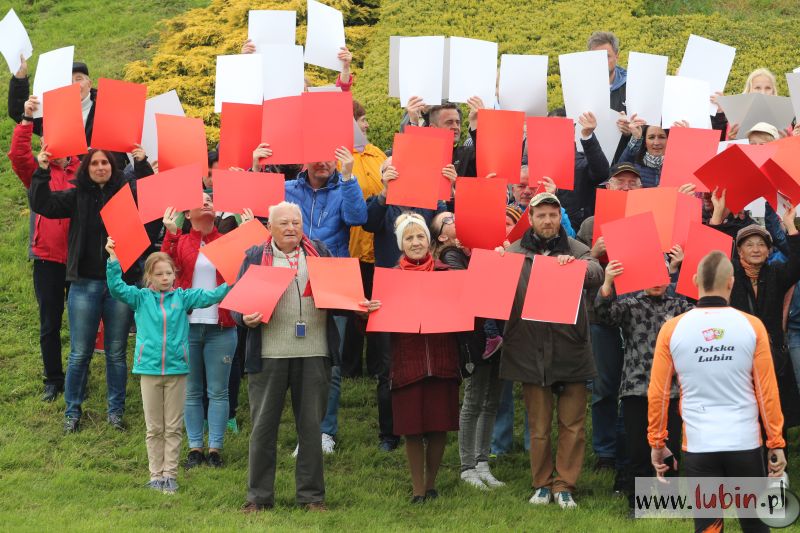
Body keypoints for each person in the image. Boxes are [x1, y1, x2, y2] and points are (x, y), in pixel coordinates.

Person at [648, 251, 787, 533]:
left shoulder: (672, 329)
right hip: (745, 443)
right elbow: (767, 391)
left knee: (710, 527)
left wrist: (658, 442)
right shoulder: (751, 325)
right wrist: (776, 442)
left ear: (695, 280)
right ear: (731, 283)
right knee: (755, 526)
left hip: (700, 446)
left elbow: (658, 394)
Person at [235, 201, 350, 512]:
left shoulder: (320, 253)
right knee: (263, 427)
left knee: (312, 428)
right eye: (283, 223)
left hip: (314, 351)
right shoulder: (255, 256)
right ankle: (258, 498)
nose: (290, 228)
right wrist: (244, 318)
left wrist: (357, 302)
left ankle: (312, 497)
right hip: (269, 353)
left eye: (296, 223)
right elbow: (237, 305)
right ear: (270, 227)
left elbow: (340, 297)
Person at [30, 146, 153, 433]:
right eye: (95, 163)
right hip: (83, 284)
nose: (100, 167)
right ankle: (72, 413)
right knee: (80, 352)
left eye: (105, 163)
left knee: (115, 352)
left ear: (113, 166)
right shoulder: (76, 195)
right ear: (87, 168)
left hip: (118, 285)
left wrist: (142, 162)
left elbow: (152, 196)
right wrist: (42, 171)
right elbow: (43, 204)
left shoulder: (127, 194)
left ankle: (115, 413)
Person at [499, 192, 604, 509]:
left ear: (561, 218)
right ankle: (542, 484)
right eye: (541, 215)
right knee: (539, 426)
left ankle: (565, 485)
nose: (548, 221)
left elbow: (596, 273)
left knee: (573, 424)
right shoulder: (513, 252)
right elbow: (492, 293)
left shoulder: (577, 250)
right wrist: (494, 265)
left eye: (553, 215)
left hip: (571, 347)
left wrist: (573, 269)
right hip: (529, 349)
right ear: (529, 219)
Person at [105, 240, 228, 494]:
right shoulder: (139, 298)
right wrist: (113, 259)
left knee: (172, 427)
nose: (164, 278)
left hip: (176, 370)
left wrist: (237, 277)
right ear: (149, 276)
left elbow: (213, 295)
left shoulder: (183, 298)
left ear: (175, 275)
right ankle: (155, 475)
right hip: (148, 370)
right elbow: (116, 288)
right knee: (154, 428)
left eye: (169, 273)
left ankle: (170, 475)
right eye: (159, 274)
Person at [362, 158, 452, 451]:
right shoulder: (382, 202)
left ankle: (424, 426)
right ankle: (389, 434)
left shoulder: (429, 202)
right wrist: (385, 191)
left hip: (428, 288)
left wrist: (449, 191)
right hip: (391, 291)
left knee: (425, 363)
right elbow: (368, 222)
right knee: (389, 366)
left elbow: (446, 225)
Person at [281, 147, 366, 455]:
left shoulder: (344, 186)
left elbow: (359, 217)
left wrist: (348, 176)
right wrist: (253, 167)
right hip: (292, 277)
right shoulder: (288, 188)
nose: (324, 163)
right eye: (317, 155)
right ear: (305, 159)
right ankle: (306, 431)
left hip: (334, 277)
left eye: (331, 158)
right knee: (300, 360)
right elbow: (255, 211)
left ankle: (325, 432)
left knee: (330, 362)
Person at [595, 257, 691, 517]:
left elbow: (703, 315)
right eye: (650, 275)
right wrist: (608, 282)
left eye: (662, 275)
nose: (657, 282)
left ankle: (669, 503)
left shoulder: (681, 306)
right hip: (636, 389)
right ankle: (638, 502)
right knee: (637, 447)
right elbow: (603, 315)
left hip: (671, 391)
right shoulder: (629, 305)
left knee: (670, 444)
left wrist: (683, 265)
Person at [161, 197, 248, 468]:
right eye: (201, 201)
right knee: (192, 391)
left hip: (221, 326)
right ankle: (195, 448)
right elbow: (166, 270)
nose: (208, 202)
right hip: (187, 325)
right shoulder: (182, 240)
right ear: (187, 213)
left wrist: (248, 232)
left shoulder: (227, 239)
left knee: (219, 391)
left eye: (211, 200)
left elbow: (247, 269)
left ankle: (215, 450)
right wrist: (171, 235)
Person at [7, 96, 79, 402]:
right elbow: (17, 155)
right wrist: (26, 120)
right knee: (50, 322)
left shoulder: (84, 171)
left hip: (79, 260)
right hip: (47, 259)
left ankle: (77, 377)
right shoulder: (38, 173)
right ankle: (53, 378)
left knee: (80, 323)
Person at [709, 196, 800, 433]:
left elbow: (797, 264)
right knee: (745, 418)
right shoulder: (729, 277)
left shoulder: (776, 274)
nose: (756, 249)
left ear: (769, 250)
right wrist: (718, 214)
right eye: (749, 244)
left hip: (771, 357)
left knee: (773, 418)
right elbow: (712, 256)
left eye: (761, 244)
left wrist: (790, 225)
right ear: (739, 250)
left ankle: (777, 463)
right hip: (737, 357)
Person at [429, 212, 505, 491]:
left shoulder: (476, 250)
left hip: (499, 331)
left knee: (492, 400)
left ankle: (483, 462)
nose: (455, 217)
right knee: (474, 399)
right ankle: (467, 466)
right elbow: (470, 286)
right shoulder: (451, 255)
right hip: (473, 338)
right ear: (442, 235)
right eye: (448, 219)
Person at [389, 212, 461, 503]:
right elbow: (374, 324)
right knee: (412, 428)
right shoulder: (390, 279)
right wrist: (368, 310)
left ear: (429, 242)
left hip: (443, 359)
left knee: (438, 424)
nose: (416, 242)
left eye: (420, 236)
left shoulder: (447, 274)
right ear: (401, 244)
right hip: (407, 360)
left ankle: (431, 485)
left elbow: (467, 313)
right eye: (409, 237)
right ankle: (418, 489)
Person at [342, 100, 387, 379]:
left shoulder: (378, 154)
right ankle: (349, 366)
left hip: (379, 246)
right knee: (353, 309)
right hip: (352, 248)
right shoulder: (336, 159)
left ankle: (375, 365)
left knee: (377, 307)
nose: (366, 125)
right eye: (361, 120)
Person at [8, 59, 96, 146]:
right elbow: (18, 111)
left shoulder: (105, 106)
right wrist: (20, 78)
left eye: (79, 79)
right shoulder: (50, 112)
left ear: (89, 84)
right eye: (68, 81)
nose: (73, 84)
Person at [587, 31, 628, 162]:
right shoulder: (581, 88)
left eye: (607, 57)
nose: (601, 62)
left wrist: (630, 130)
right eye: (596, 58)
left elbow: (648, 128)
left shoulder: (632, 86)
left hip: (624, 164)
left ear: (617, 56)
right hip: (589, 162)